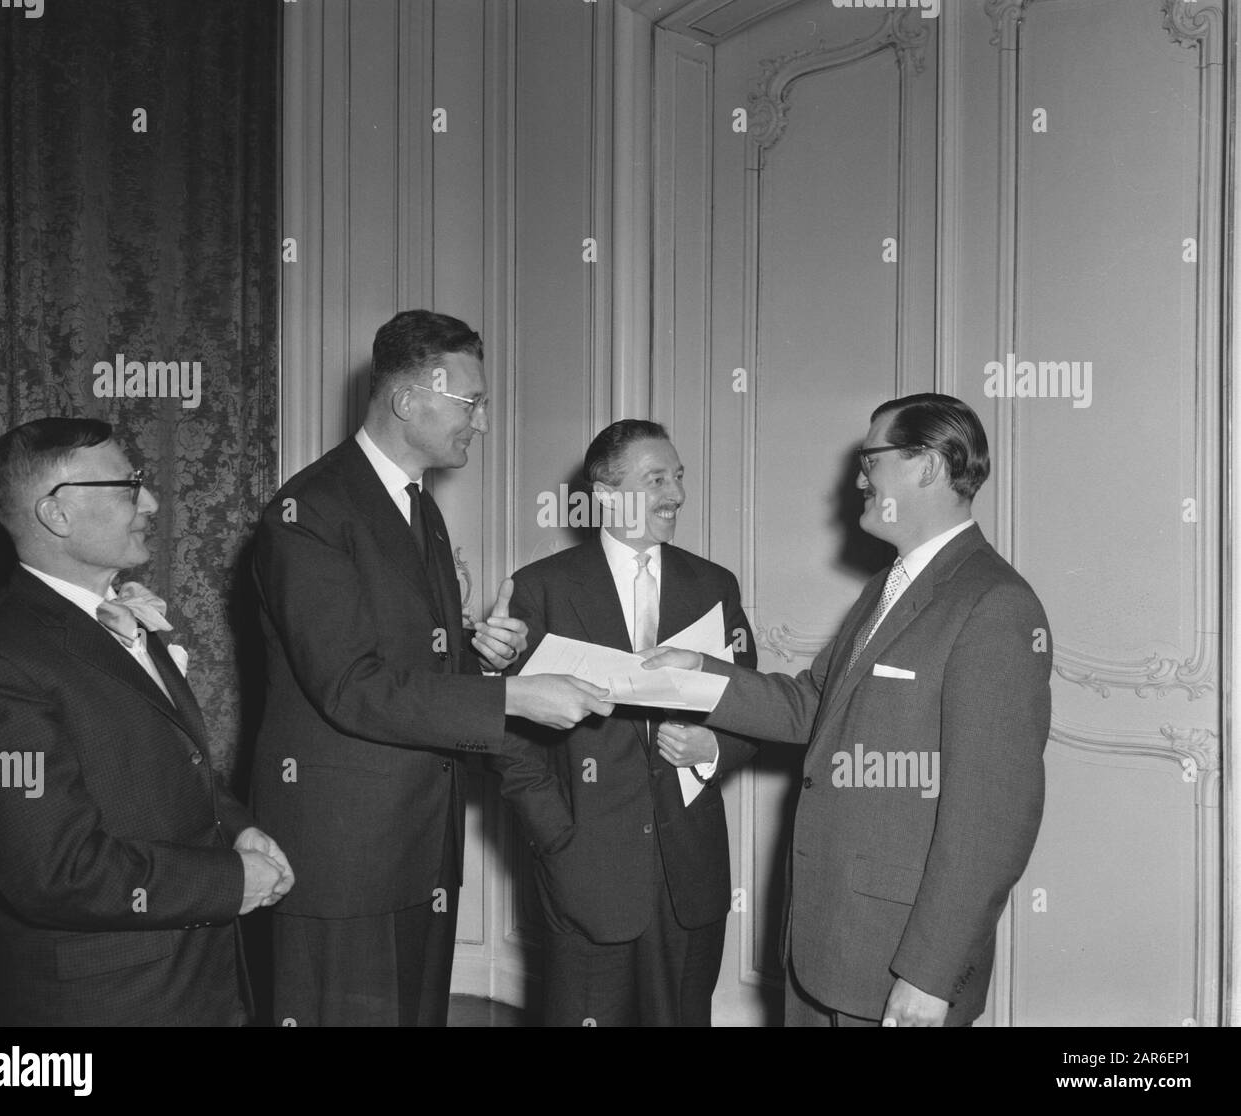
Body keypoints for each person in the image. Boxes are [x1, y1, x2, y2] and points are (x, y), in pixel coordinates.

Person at [250, 309, 612, 1027]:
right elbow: (350, 686)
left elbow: (408, 666)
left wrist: (481, 657)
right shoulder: (310, 512)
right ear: (409, 400)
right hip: (343, 852)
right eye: (469, 402)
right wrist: (509, 698)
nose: (480, 420)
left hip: (420, 843)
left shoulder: (419, 510)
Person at [647, 393, 1052, 1027]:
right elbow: (814, 704)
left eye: (871, 459)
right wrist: (704, 674)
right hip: (824, 949)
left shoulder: (994, 604)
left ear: (927, 466)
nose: (858, 477)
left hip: (895, 969)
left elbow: (991, 823)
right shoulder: (889, 585)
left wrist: (929, 976)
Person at [0, 417, 292, 1026]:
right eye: (129, 487)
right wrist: (229, 882)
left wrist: (234, 826)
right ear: (57, 516)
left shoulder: (118, 616)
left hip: (199, 983)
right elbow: (55, 871)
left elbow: (168, 765)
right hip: (108, 1004)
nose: (151, 502)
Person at [494, 420, 759, 1026]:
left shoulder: (714, 586)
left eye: (679, 477)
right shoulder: (542, 590)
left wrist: (714, 746)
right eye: (657, 479)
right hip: (585, 870)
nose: (677, 494)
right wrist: (556, 832)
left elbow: (752, 705)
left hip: (689, 876)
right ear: (607, 496)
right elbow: (505, 734)